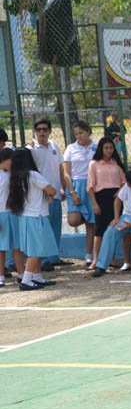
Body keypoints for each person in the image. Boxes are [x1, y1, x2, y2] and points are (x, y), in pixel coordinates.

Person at [8, 148, 58, 290]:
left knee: (33, 249)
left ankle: (37, 277)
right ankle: (26, 280)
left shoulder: (16, 177)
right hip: (37, 216)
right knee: (36, 250)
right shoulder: (33, 175)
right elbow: (52, 190)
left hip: (25, 217)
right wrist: (49, 194)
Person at [92, 169, 131, 277]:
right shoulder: (127, 186)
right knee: (110, 231)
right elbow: (118, 200)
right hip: (128, 218)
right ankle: (101, 266)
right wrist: (116, 218)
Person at [27, 118, 68, 271]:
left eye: (45, 129)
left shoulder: (54, 146)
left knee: (56, 226)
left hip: (55, 193)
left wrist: (63, 188)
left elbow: (61, 168)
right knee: (44, 229)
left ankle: (53, 258)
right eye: (38, 129)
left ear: (50, 131)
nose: (42, 132)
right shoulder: (31, 149)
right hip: (41, 196)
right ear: (35, 132)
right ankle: (43, 260)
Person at [86, 137, 126, 271]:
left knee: (112, 229)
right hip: (101, 198)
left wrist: (119, 192)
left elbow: (124, 181)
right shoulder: (94, 164)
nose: (109, 150)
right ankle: (96, 259)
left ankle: (111, 258)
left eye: (111, 148)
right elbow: (90, 186)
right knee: (99, 229)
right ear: (101, 149)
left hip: (116, 198)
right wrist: (94, 204)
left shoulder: (117, 163)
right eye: (106, 148)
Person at [63, 120, 98, 267]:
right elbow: (66, 173)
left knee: (92, 224)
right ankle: (86, 215)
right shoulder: (71, 148)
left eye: (81, 133)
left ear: (88, 131)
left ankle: (89, 256)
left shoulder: (96, 146)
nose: (79, 136)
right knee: (73, 220)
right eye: (76, 134)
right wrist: (72, 192)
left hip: (92, 186)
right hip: (76, 186)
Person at [0, 148, 18, 287]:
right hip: (1, 214)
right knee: (1, 248)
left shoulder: (11, 174)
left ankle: (22, 274)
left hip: (13, 213)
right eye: (11, 161)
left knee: (17, 245)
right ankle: (1, 275)